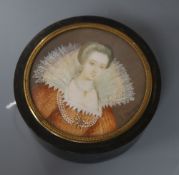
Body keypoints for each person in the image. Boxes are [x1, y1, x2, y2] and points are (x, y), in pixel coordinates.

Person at [32, 42, 135, 137]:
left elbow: (98, 141)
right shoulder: (54, 92)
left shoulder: (102, 110)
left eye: (101, 67)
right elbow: (37, 123)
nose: (95, 70)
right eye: (92, 63)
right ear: (82, 61)